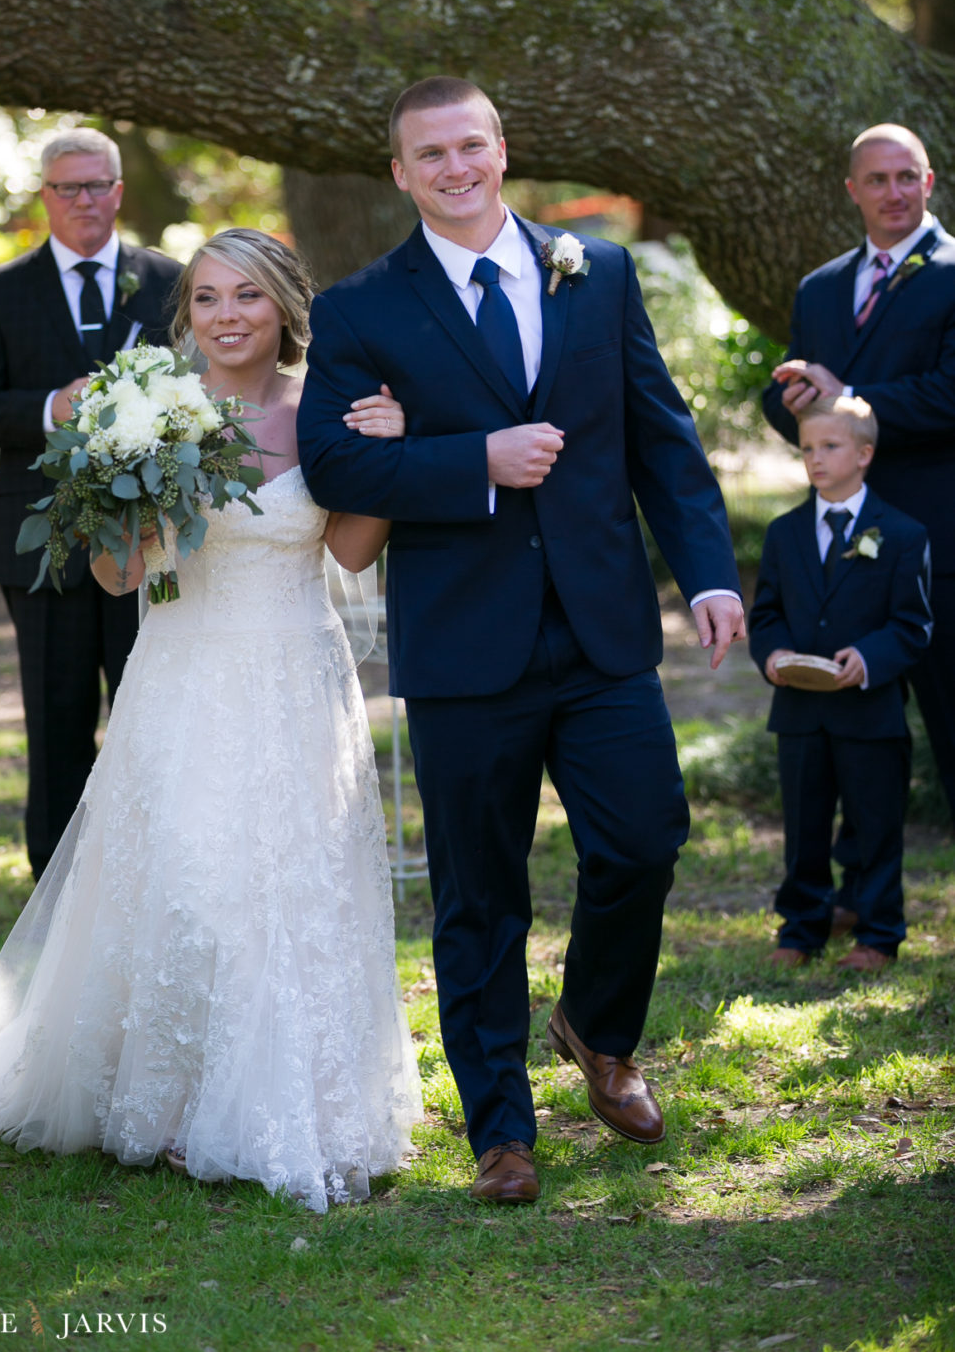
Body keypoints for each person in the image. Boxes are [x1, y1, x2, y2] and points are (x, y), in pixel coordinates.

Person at [0, 229, 422, 1212]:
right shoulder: (151, 408)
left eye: (246, 297)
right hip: (183, 669)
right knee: (189, 875)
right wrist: (126, 475)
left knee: (292, 878)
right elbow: (118, 575)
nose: (225, 316)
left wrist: (386, 457)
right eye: (206, 298)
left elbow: (346, 552)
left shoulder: (324, 410)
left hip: (297, 670)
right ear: (186, 314)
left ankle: (306, 1098)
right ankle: (167, 1099)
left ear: (285, 308)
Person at [296, 76, 745, 1206]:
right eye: (427, 155)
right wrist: (470, 460)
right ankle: (500, 1130)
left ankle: (596, 1030)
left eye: (469, 147)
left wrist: (707, 574)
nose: (453, 169)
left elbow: (660, 435)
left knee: (643, 841)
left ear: (502, 150)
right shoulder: (361, 311)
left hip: (600, 630)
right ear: (398, 173)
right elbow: (336, 470)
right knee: (480, 894)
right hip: (462, 643)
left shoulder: (596, 271)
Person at [0, 128, 181, 880]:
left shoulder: (171, 279)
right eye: (66, 187)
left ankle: (149, 877)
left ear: (118, 190)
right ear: (45, 196)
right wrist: (53, 405)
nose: (83, 200)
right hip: (40, 542)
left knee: (152, 716)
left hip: (147, 537)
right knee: (55, 723)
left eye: (96, 185)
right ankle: (54, 891)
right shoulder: (2, 290)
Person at [763, 124, 955, 846]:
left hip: (940, 539)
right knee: (855, 737)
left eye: (907, 176)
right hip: (842, 551)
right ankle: (857, 898)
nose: (894, 192)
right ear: (853, 190)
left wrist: (852, 397)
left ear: (929, 181)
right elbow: (801, 392)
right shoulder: (822, 286)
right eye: (877, 179)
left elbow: (950, 392)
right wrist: (788, 402)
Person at [748, 397, 932, 972]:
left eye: (829, 447)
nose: (815, 459)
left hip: (869, 709)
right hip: (800, 710)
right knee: (803, 828)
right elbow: (767, 612)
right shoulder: (784, 533)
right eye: (807, 448)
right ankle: (801, 928)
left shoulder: (901, 534)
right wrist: (773, 650)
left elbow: (914, 624)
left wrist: (869, 656)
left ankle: (878, 932)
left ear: (865, 453)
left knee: (875, 825)